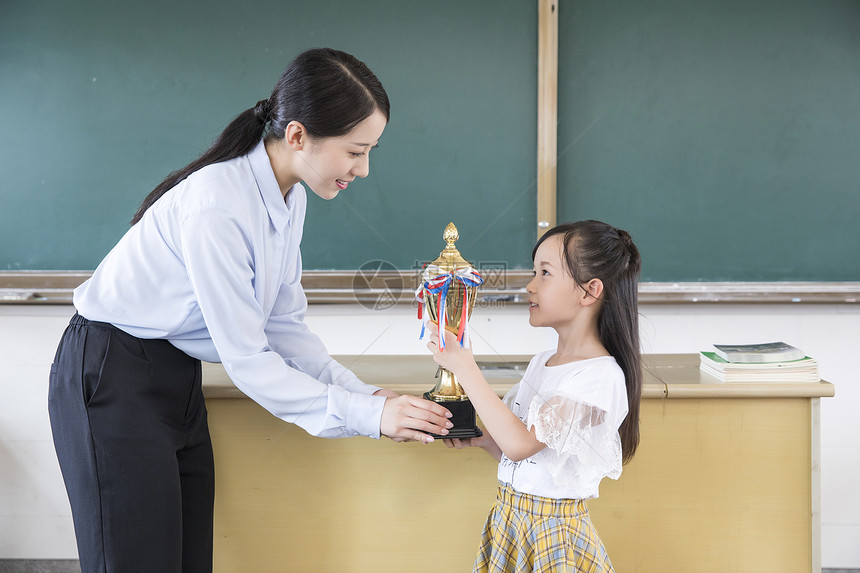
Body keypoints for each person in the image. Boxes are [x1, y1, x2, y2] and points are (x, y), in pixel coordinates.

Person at [48, 48, 453, 573]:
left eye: (371, 150)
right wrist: (370, 417)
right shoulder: (218, 204)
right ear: (299, 135)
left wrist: (365, 394)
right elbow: (249, 359)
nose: (365, 168)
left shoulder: (290, 197)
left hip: (171, 374)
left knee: (187, 561)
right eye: (355, 151)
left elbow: (284, 327)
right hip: (110, 373)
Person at [427, 220, 642, 573]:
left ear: (589, 291)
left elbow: (520, 444)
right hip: (511, 522)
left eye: (544, 273)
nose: (530, 286)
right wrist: (483, 440)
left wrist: (465, 367)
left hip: (551, 535)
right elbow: (528, 459)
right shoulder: (542, 362)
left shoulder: (599, 377)